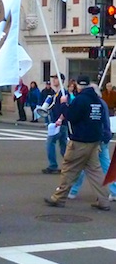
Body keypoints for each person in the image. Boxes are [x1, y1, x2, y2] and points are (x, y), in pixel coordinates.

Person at [44, 75, 110, 211]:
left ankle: (59, 197)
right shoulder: (96, 100)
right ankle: (103, 200)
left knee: (69, 169)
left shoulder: (81, 100)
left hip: (80, 140)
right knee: (95, 171)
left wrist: (63, 104)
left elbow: (71, 117)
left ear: (78, 85)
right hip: (94, 140)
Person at [68, 83, 116, 200]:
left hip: (95, 138)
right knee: (104, 165)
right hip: (103, 136)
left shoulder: (96, 103)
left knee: (83, 164)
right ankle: (114, 190)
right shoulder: (101, 102)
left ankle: (73, 190)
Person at [42, 73, 68, 174]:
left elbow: (66, 107)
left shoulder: (63, 93)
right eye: (53, 78)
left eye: (56, 78)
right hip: (57, 123)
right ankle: (70, 164)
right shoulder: (55, 94)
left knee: (50, 143)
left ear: (61, 81)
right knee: (63, 146)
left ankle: (53, 165)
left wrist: (60, 119)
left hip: (59, 123)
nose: (54, 80)